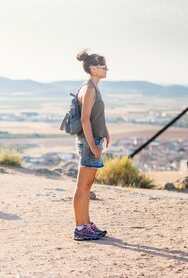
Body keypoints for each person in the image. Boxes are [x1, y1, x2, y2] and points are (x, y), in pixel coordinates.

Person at [72, 49, 110, 241]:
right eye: (103, 66)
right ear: (93, 68)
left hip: (93, 140)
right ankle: (80, 228)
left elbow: (95, 118)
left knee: (87, 185)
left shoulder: (93, 88)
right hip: (88, 143)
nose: (107, 69)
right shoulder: (88, 89)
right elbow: (85, 120)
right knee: (82, 186)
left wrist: (105, 133)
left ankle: (86, 224)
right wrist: (93, 146)